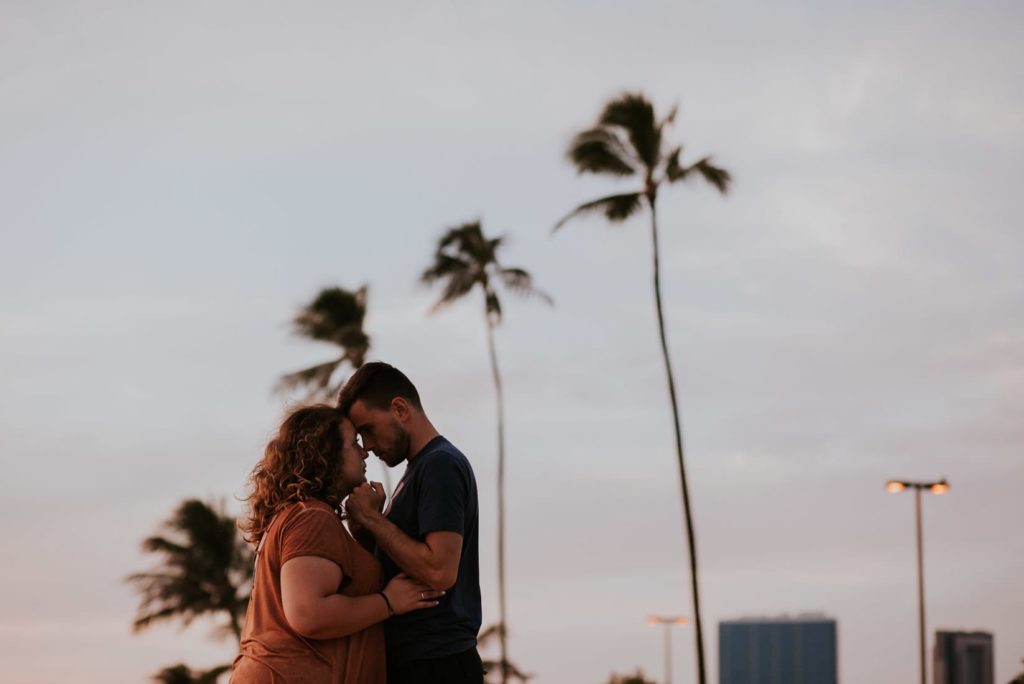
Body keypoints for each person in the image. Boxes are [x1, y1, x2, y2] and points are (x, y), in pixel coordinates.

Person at [231, 404, 444, 683]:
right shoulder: (311, 517)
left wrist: (364, 527)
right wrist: (388, 602)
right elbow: (308, 613)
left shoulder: (304, 515)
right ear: (325, 454)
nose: (364, 450)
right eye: (353, 443)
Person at [339, 362, 484, 684]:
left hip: (437, 662)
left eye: (368, 429)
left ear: (400, 409)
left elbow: (439, 570)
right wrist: (362, 528)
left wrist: (373, 519)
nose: (368, 446)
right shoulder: (419, 470)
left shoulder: (440, 465)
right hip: (420, 660)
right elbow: (400, 563)